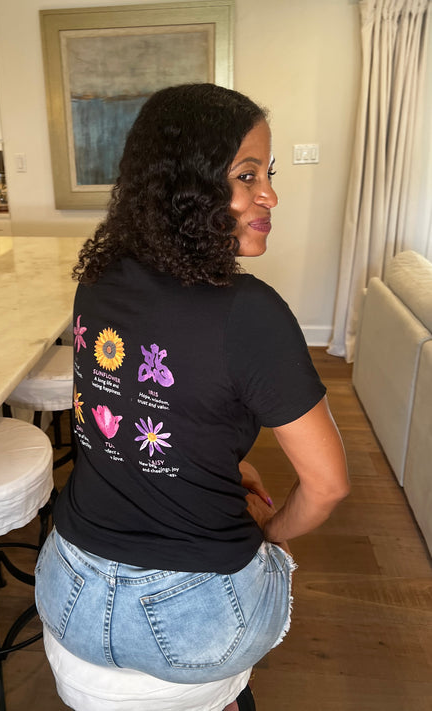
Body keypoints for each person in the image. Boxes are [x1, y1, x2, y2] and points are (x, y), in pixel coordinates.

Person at [35, 83, 349, 711]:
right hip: (194, 625)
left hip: (67, 595)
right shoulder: (249, 312)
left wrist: (228, 467)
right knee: (273, 553)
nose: (270, 195)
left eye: (268, 174)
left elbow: (139, 413)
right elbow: (328, 486)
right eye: (247, 175)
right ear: (187, 187)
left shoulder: (97, 280)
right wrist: (270, 530)